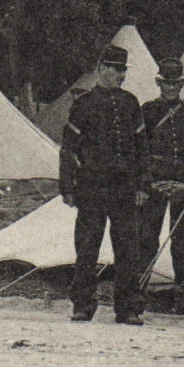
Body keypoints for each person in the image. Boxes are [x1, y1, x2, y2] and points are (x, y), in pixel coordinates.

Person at [59, 44, 150, 325]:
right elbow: (68, 149)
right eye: (117, 69)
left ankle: (127, 308)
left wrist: (143, 186)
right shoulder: (83, 104)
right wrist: (68, 187)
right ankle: (83, 305)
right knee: (87, 248)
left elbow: (141, 148)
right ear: (102, 69)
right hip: (92, 188)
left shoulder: (130, 103)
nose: (122, 75)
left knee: (127, 249)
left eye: (124, 70)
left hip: (124, 188)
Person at [139, 56, 184, 311]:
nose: (171, 88)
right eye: (166, 83)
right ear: (158, 82)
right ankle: (137, 290)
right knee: (146, 238)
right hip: (154, 184)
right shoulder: (147, 111)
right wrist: (149, 184)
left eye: (176, 84)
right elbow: (139, 152)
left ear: (182, 84)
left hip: (182, 187)